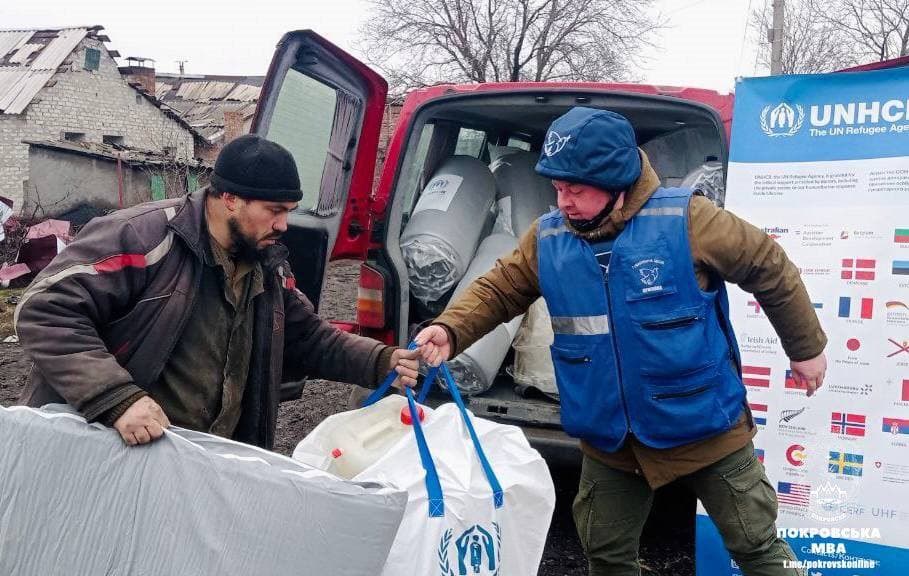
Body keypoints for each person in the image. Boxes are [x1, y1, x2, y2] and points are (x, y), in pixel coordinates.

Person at [415, 108, 826, 576]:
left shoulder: (689, 220)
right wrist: (450, 328)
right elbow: (499, 289)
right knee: (607, 557)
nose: (563, 201)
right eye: (558, 188)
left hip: (704, 424)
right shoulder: (548, 238)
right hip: (611, 434)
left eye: (577, 189)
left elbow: (770, 266)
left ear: (618, 182)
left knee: (758, 548)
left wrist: (805, 349)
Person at [16, 134, 419, 448]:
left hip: (203, 458)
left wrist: (384, 361)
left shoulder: (266, 263)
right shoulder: (142, 238)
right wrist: (115, 398)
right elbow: (44, 310)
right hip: (111, 445)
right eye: (274, 211)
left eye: (289, 212)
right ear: (229, 199)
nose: (283, 225)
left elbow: (308, 339)